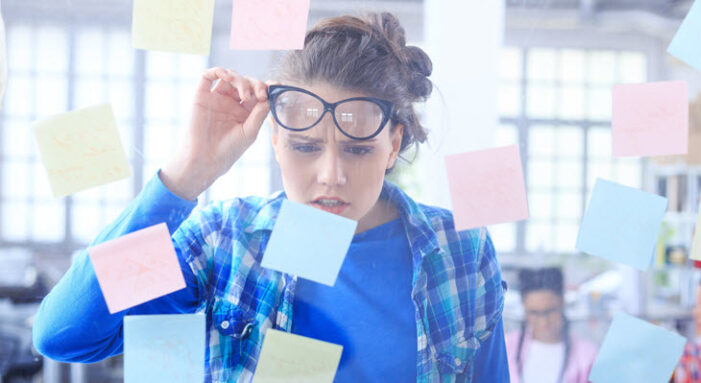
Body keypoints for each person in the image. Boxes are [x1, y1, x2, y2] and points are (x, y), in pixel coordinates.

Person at [31, 12, 510, 382]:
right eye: (305, 147)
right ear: (276, 141)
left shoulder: (459, 250)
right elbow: (64, 334)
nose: (331, 176)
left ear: (394, 145)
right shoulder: (226, 241)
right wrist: (184, 178)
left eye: (358, 149)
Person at [505, 267, 597, 383]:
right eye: (534, 313)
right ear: (524, 307)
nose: (543, 321)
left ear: (562, 302)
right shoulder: (506, 348)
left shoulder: (588, 355)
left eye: (550, 311)